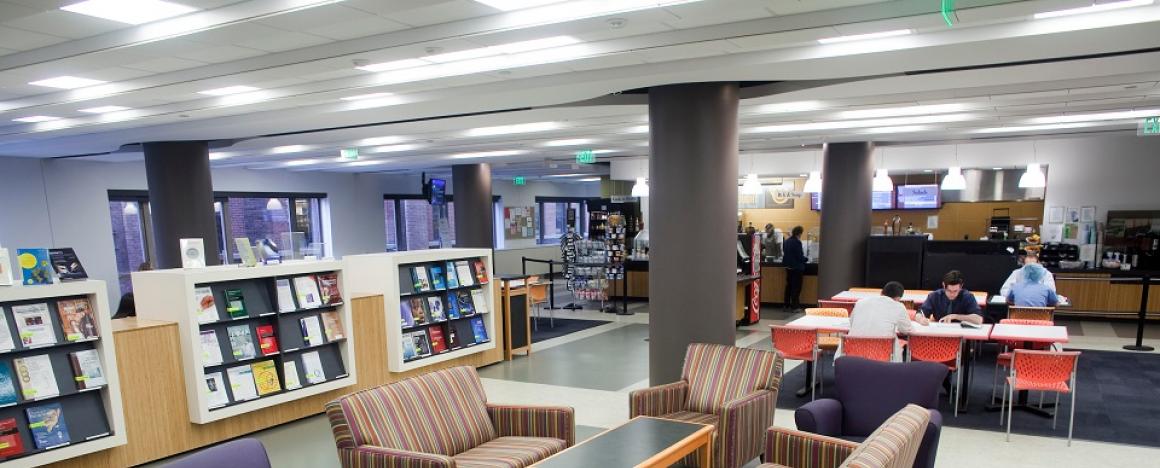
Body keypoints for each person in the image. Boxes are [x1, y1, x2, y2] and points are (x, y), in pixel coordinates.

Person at [846, 281, 930, 361]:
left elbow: (852, 322)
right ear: (898, 298)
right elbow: (907, 330)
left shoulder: (860, 302)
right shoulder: (898, 306)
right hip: (882, 352)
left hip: (853, 350)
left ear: (881, 292)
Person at [918, 270, 983, 325]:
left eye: (955, 291)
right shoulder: (934, 296)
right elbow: (919, 314)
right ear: (943, 285)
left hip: (961, 333)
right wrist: (921, 319)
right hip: (939, 331)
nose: (952, 294)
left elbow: (979, 320)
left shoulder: (968, 297)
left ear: (961, 287)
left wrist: (955, 316)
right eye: (949, 291)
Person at [783, 226, 807, 312]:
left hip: (788, 267)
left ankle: (786, 305)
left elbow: (785, 253)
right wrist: (805, 259)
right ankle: (795, 306)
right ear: (799, 233)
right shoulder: (797, 242)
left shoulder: (786, 241)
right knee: (796, 288)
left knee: (788, 286)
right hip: (797, 268)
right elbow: (799, 256)